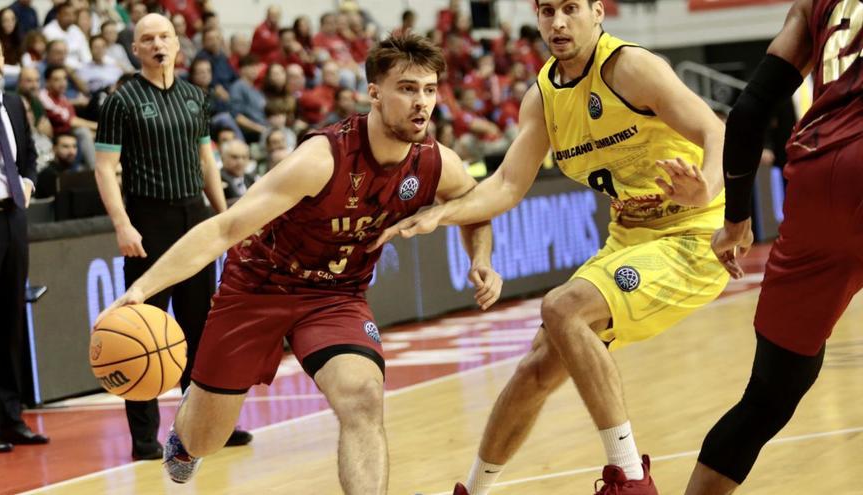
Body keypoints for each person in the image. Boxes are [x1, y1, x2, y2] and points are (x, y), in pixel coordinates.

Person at [98, 33, 502, 494]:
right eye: (407, 88)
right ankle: (188, 431)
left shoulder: (434, 162)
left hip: (335, 297)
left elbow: (474, 203)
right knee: (205, 439)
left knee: (364, 398)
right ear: (374, 92)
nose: (422, 102)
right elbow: (226, 228)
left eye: (429, 90)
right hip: (257, 287)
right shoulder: (321, 158)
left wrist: (481, 258)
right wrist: (141, 290)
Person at [373, 1, 730, 493]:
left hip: (693, 233)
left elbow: (716, 129)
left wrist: (707, 187)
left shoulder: (631, 67)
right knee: (537, 367)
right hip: (629, 236)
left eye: (570, 8)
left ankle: (630, 478)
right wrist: (443, 212)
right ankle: (473, 490)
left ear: (597, 11)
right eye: (546, 10)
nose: (558, 23)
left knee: (562, 308)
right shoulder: (542, 97)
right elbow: (506, 185)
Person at [685, 0, 863, 492]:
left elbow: (746, 114)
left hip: (821, 178)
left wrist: (737, 220)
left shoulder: (814, 5)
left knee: (770, 393)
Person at [92, 13, 250, 461]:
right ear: (136, 49)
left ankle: (202, 426)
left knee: (201, 326)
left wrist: (225, 220)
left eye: (164, 36)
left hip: (194, 217)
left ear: (177, 44)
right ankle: (144, 439)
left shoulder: (195, 97)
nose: (157, 44)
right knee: (141, 329)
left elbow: (207, 162)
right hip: (148, 219)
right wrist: (122, 224)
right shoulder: (120, 102)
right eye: (147, 39)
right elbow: (105, 168)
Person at [0, 34, 49, 454]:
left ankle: (11, 419)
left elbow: (28, 157)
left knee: (9, 320)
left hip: (14, 220)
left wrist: (26, 182)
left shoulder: (11, 104)